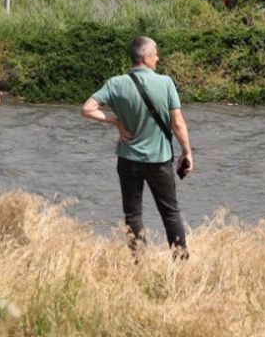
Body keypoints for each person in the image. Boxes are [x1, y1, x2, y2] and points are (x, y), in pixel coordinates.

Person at [80, 36, 193, 257]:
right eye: (156, 53)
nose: (158, 57)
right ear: (147, 57)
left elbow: (87, 109)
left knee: (133, 215)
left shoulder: (115, 83)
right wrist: (187, 152)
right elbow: (177, 123)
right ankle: (180, 262)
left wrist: (114, 121)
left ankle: (139, 262)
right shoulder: (165, 83)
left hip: (128, 159)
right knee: (170, 213)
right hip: (159, 161)